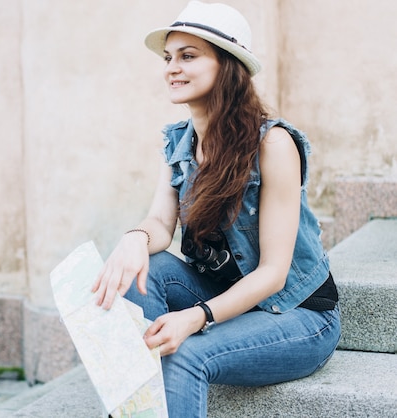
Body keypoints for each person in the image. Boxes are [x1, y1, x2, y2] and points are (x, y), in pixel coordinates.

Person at [91, 1, 341, 417]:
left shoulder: (272, 145)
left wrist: (196, 317)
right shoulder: (178, 142)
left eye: (188, 56)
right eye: (169, 58)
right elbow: (159, 222)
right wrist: (134, 239)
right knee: (143, 271)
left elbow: (273, 274)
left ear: (228, 66)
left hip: (298, 315)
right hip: (225, 296)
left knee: (185, 355)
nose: (172, 67)